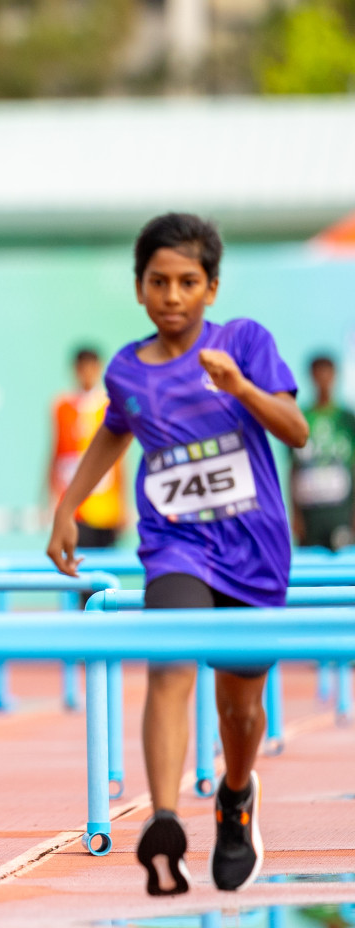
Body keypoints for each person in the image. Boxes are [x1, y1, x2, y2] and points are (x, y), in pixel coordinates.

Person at [47, 213, 307, 898]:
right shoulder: (129, 369)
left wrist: (241, 388)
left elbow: (297, 430)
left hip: (253, 547)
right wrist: (66, 507)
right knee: (169, 664)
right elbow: (113, 432)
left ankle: (236, 793)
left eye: (187, 282)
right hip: (175, 544)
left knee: (240, 711)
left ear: (211, 288)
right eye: (158, 282)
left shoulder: (246, 342)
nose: (172, 296)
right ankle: (163, 819)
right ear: (138, 289)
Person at [49, 347, 126, 549]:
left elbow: (119, 458)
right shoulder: (62, 405)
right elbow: (55, 452)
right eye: (83, 368)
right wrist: (50, 498)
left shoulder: (109, 405)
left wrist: (122, 505)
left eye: (92, 368)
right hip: (73, 504)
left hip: (104, 504)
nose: (87, 373)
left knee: (106, 562)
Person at [289, 355, 355, 551]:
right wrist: (295, 516)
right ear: (311, 377)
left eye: (328, 373)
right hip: (310, 511)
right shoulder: (300, 419)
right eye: (318, 374)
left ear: (335, 376)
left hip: (340, 509)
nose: (323, 379)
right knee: (312, 570)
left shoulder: (347, 420)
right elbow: (293, 469)